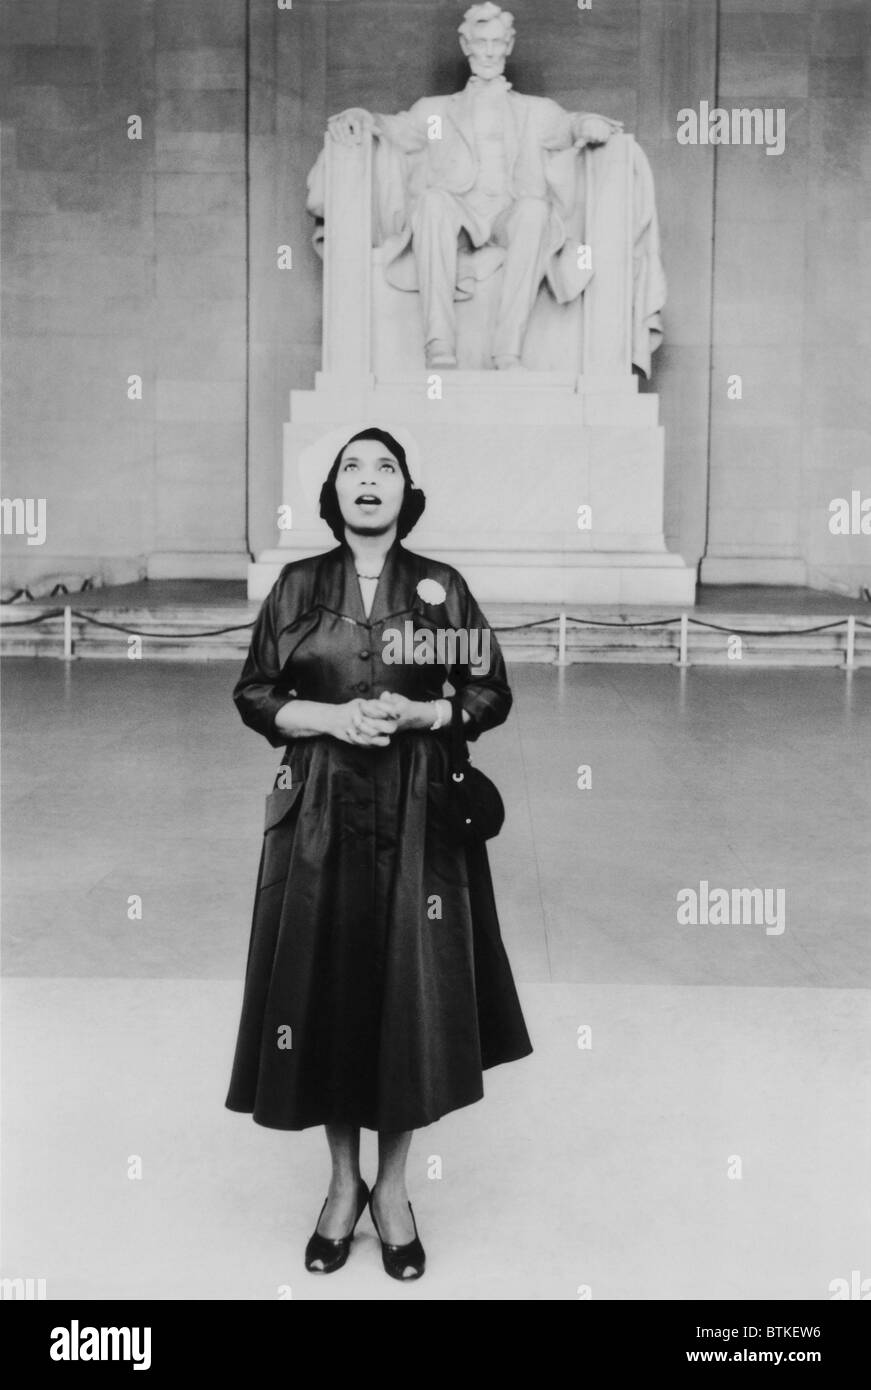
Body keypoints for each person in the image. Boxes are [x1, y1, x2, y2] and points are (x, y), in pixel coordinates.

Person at [225, 427, 532, 1281]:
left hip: (417, 814)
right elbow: (254, 694)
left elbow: (489, 689)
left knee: (405, 993)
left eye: (385, 468)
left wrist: (422, 715)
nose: (369, 481)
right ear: (333, 492)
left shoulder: (438, 589)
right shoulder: (296, 587)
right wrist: (327, 720)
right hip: (319, 810)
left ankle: (392, 1189)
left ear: (404, 492)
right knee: (323, 987)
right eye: (353, 468)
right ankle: (339, 1185)